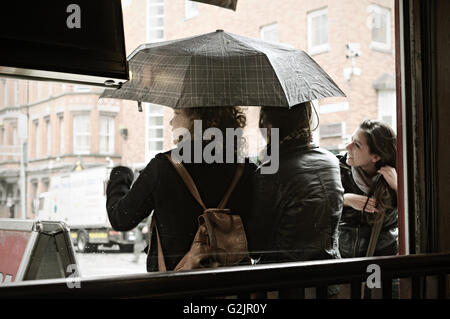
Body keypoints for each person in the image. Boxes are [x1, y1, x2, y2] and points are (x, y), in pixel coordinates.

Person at [106, 106, 255, 272]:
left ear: (197, 121)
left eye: (177, 113)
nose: (171, 122)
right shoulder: (246, 169)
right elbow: (256, 239)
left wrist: (120, 175)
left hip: (177, 285)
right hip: (229, 285)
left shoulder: (163, 167)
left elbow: (121, 218)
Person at [249, 102, 344, 297]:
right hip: (328, 280)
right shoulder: (331, 161)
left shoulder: (270, 172)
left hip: (284, 285)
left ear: (268, 124)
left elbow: (255, 246)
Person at [337, 119, 398, 298]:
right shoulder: (339, 169)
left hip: (384, 263)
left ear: (376, 157)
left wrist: (398, 187)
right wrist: (345, 199)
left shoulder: (396, 175)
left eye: (356, 144)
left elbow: (415, 212)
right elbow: (319, 206)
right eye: (350, 140)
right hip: (347, 262)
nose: (347, 147)